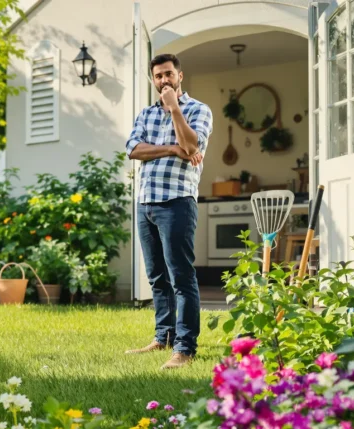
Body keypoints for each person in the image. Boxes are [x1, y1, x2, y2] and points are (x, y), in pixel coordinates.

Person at [124, 53, 213, 370]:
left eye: (168, 74)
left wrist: (175, 108)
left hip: (177, 202)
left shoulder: (198, 110)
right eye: (158, 76)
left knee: (181, 278)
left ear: (180, 76)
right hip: (146, 202)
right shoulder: (146, 114)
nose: (163, 80)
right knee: (157, 277)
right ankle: (163, 336)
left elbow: (191, 146)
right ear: (153, 80)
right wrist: (173, 149)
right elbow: (134, 149)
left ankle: (185, 348)